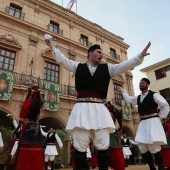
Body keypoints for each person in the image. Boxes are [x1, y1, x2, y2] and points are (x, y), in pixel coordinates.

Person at [44, 33, 151, 170]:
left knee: (103, 144)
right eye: (99, 52)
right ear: (90, 53)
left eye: (102, 53)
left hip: (99, 109)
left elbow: (126, 65)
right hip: (82, 108)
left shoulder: (108, 68)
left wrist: (140, 55)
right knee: (80, 145)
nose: (101, 55)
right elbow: (62, 60)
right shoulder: (78, 66)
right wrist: (51, 45)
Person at [118, 78, 169, 170]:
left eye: (143, 83)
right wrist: (123, 91)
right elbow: (129, 99)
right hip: (143, 123)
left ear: (147, 85)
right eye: (140, 83)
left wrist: (160, 117)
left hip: (153, 122)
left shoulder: (154, 95)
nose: (141, 84)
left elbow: (165, 105)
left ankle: (161, 168)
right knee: (142, 147)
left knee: (154, 146)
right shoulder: (138, 97)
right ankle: (152, 167)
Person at [16, 85, 45, 170]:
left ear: (31, 92)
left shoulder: (29, 101)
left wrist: (23, 118)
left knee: (26, 146)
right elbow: (40, 106)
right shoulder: (38, 104)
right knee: (35, 146)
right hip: (35, 126)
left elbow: (24, 108)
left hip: (28, 125)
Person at [105, 101, 125, 170]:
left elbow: (120, 120)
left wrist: (120, 130)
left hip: (112, 133)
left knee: (116, 153)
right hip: (103, 133)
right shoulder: (100, 108)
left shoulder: (113, 109)